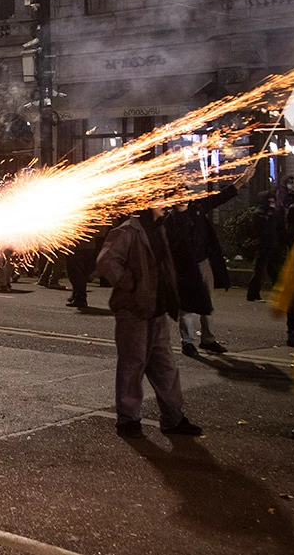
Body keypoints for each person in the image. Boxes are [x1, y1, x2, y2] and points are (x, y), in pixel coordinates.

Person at [96, 204, 203, 440]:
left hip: (156, 310)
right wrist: (132, 284)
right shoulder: (128, 231)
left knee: (165, 367)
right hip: (134, 311)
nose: (167, 203)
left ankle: (173, 418)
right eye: (162, 198)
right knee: (132, 366)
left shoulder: (159, 229)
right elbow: (106, 262)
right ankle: (128, 420)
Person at [165, 163, 255, 357]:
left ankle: (208, 339)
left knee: (207, 302)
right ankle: (187, 342)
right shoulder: (170, 220)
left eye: (184, 192)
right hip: (184, 268)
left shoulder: (197, 207)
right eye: (178, 194)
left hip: (203, 262)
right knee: (187, 306)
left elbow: (221, 197)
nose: (183, 197)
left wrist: (242, 180)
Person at [247, 190, 284, 302]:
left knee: (272, 270)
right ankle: (253, 294)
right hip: (263, 245)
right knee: (260, 270)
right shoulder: (260, 213)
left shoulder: (270, 212)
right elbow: (262, 229)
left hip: (271, 244)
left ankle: (278, 294)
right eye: (270, 200)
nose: (272, 202)